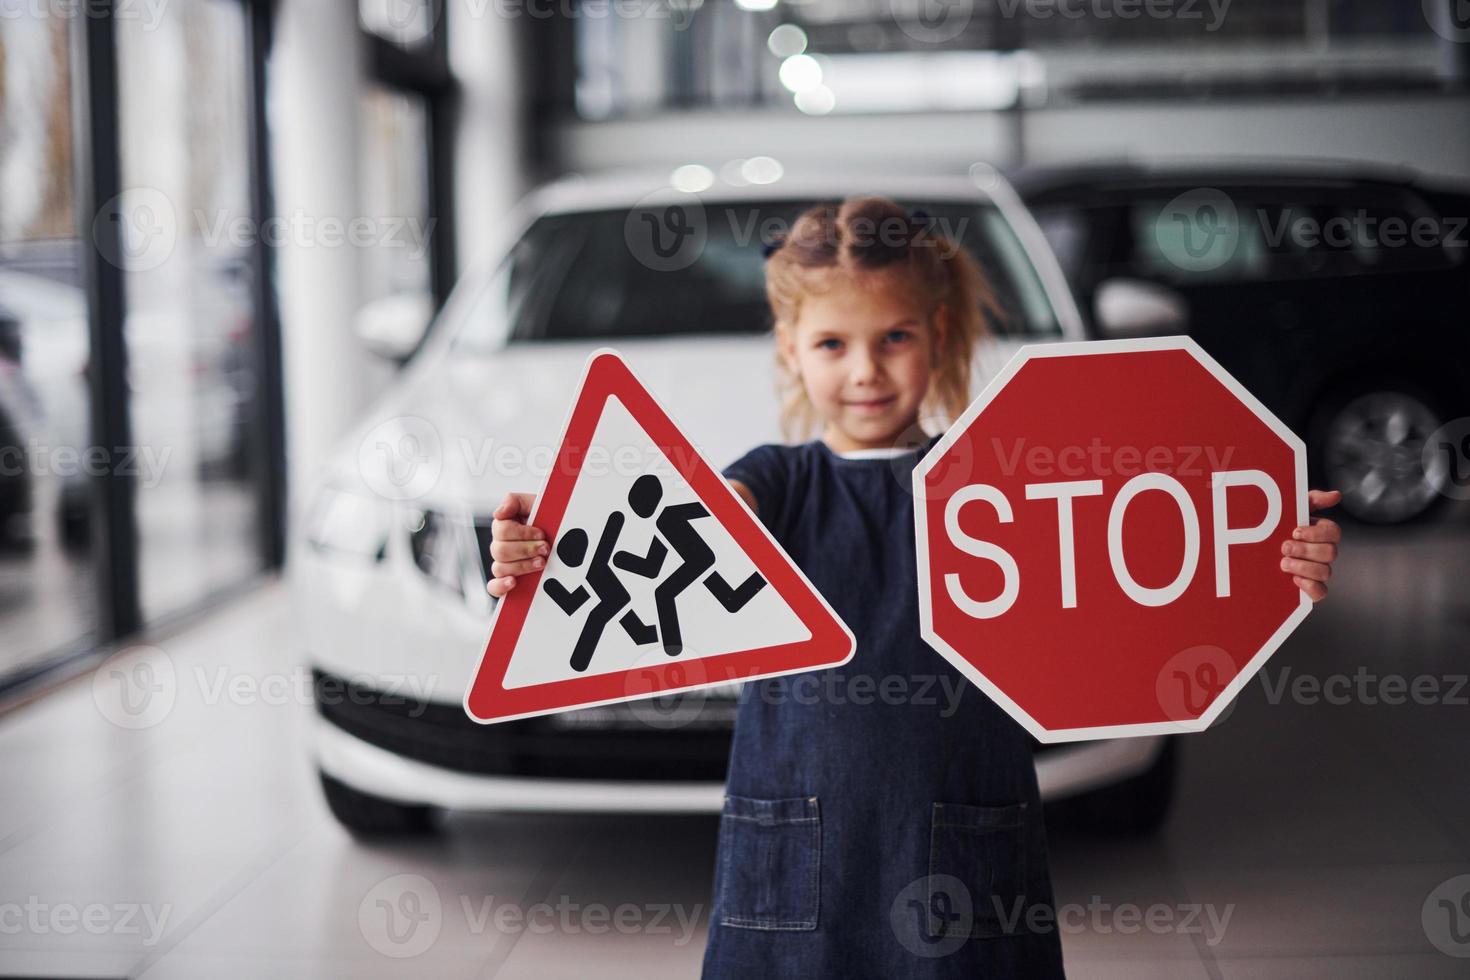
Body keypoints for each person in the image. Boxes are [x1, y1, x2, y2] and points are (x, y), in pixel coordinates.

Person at [484, 197, 1344, 977]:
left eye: (893, 337)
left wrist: (1265, 540)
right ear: (791, 349)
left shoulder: (1000, 485)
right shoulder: (773, 483)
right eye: (832, 343)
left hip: (962, 839)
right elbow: (685, 536)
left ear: (938, 335)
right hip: (798, 854)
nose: (865, 370)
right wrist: (548, 552)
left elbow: (1153, 555)